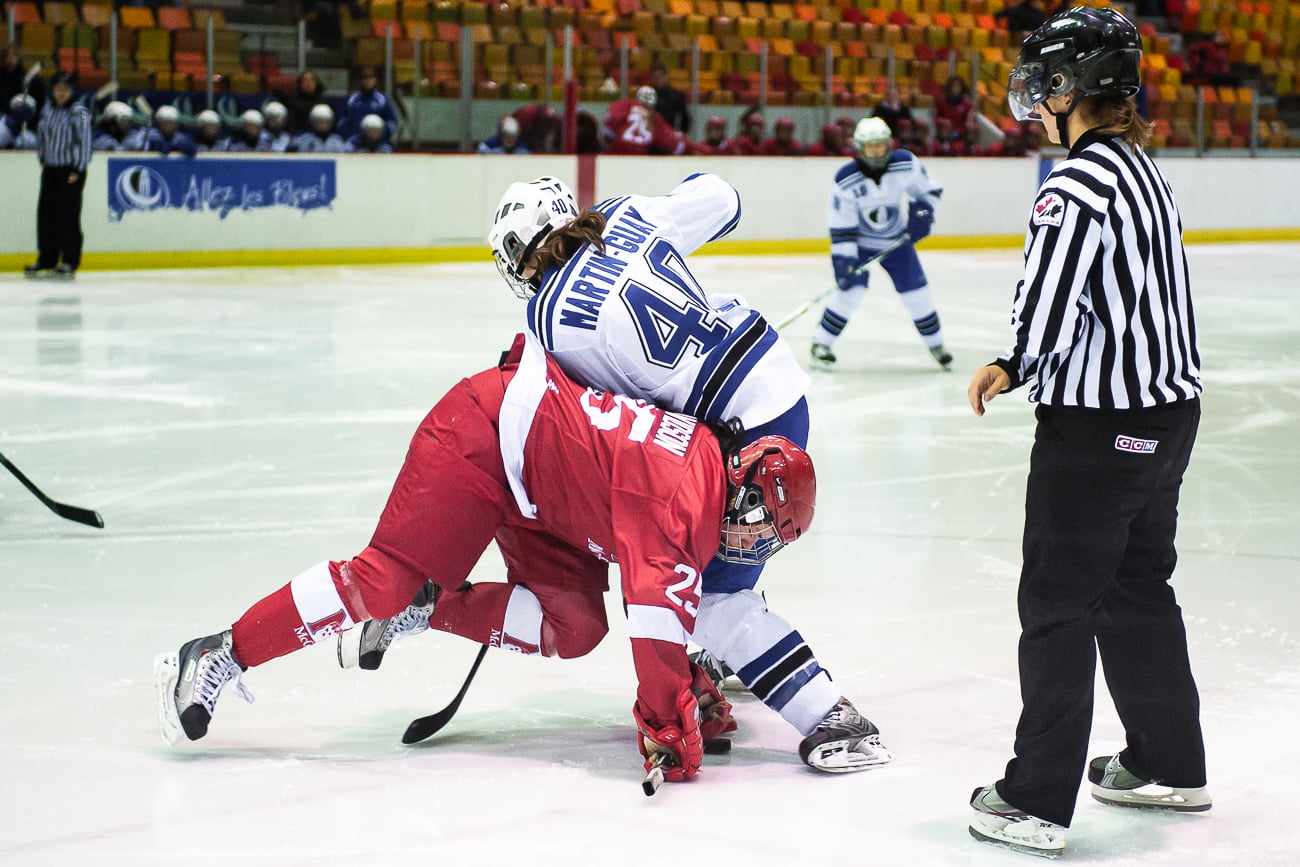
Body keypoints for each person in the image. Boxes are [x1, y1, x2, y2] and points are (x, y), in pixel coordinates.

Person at [156, 334, 815, 788]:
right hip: (484, 435)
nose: (754, 544)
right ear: (746, 494)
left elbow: (662, 614)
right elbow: (655, 622)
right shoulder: (679, 503)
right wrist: (670, 725)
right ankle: (220, 652)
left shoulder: (704, 468)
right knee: (380, 582)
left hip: (548, 496)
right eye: (762, 527)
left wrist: (680, 691)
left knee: (575, 627)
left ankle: (427, 607)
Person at [480, 174, 893, 772]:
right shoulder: (622, 213)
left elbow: (618, 416)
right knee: (715, 567)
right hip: (778, 388)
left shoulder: (548, 316)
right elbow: (725, 198)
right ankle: (735, 654)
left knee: (708, 597)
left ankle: (830, 715)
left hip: (738, 438)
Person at [965, 7, 1209, 857]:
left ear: (1073, 87)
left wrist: (1012, 361)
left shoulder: (1073, 187)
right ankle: (1168, 763)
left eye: (1043, 83)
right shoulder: (1142, 169)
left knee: (1057, 603)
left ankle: (1034, 799)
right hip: (1168, 417)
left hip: (1098, 431)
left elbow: (1048, 305)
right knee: (1137, 587)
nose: (1034, 99)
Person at [811, 116, 951, 370]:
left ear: (889, 144)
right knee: (850, 293)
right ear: (859, 147)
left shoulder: (905, 163)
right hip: (860, 245)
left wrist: (924, 212)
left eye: (880, 145)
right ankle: (821, 343)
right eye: (870, 146)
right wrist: (844, 261)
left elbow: (929, 190)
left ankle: (937, 344)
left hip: (897, 243)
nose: (876, 151)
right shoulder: (845, 179)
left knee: (917, 293)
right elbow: (841, 225)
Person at [25, 71, 90, 280]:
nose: (61, 93)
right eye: (58, 89)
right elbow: (42, 137)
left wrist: (77, 169)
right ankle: (47, 259)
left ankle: (70, 260)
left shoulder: (78, 111)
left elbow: (84, 141)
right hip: (50, 169)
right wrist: (42, 160)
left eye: (66, 89)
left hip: (70, 170)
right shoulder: (47, 109)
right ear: (52, 90)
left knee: (67, 216)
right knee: (46, 215)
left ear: (71, 91)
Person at [601, 85, 685, 155]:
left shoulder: (626, 105)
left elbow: (608, 130)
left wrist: (609, 140)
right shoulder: (655, 116)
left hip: (617, 150)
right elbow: (676, 147)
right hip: (640, 155)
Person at [338, 65, 398, 142]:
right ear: (360, 80)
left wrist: (380, 136)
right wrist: (349, 138)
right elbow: (341, 123)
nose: (367, 81)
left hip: (378, 143)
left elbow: (392, 123)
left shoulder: (382, 100)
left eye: (370, 77)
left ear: (375, 79)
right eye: (364, 78)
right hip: (355, 143)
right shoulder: (352, 100)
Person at [275, 68, 326, 134]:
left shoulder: (323, 103)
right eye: (305, 80)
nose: (308, 83)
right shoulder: (291, 100)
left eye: (312, 80)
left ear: (317, 83)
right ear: (300, 83)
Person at [650, 63, 690, 133]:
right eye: (655, 76)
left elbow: (685, 119)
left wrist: (680, 133)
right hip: (652, 133)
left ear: (666, 77)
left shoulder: (675, 95)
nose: (658, 79)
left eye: (660, 76)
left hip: (669, 133)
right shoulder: (648, 94)